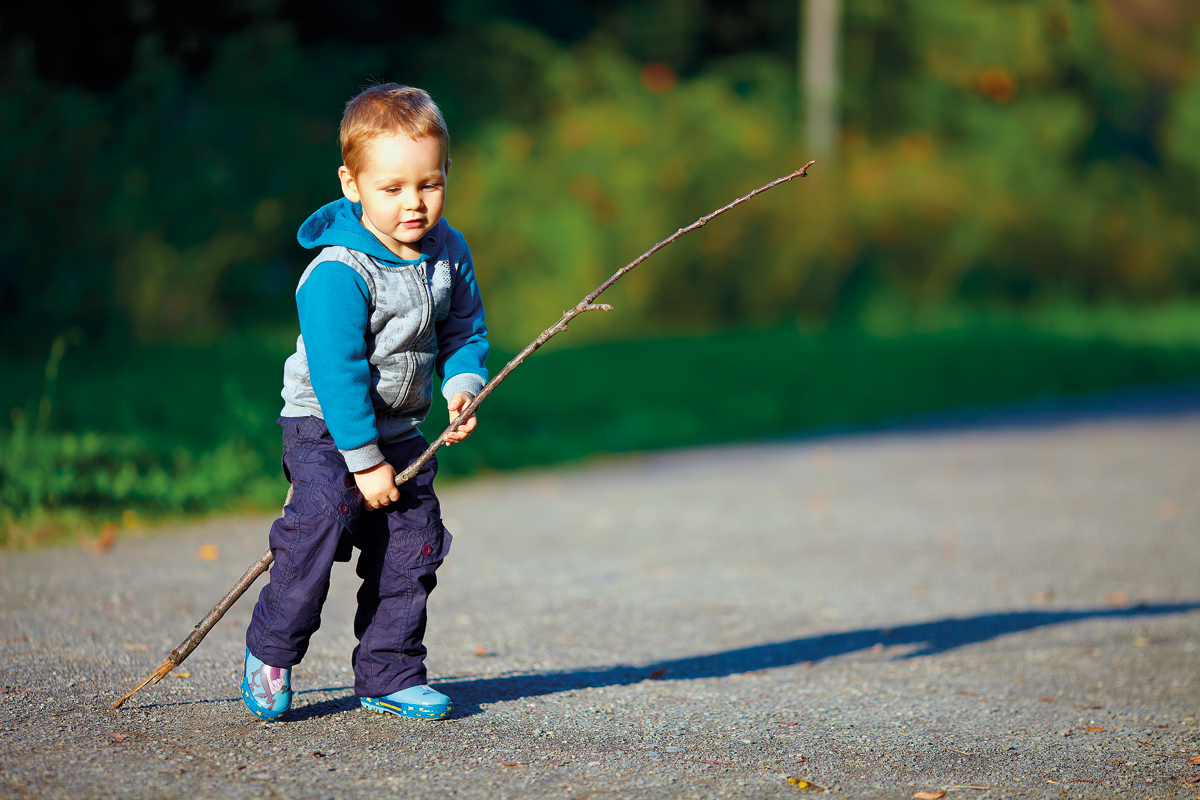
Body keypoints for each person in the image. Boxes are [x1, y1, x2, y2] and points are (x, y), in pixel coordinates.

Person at [240, 84, 488, 722]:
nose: (414, 204)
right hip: (327, 425)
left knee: (413, 543)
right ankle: (271, 649)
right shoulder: (336, 273)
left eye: (428, 185)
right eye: (392, 188)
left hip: (402, 428)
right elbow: (337, 375)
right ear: (352, 183)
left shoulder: (449, 253)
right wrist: (362, 459)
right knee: (318, 526)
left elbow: (464, 332)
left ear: (445, 175)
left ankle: (389, 672)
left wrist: (463, 386)